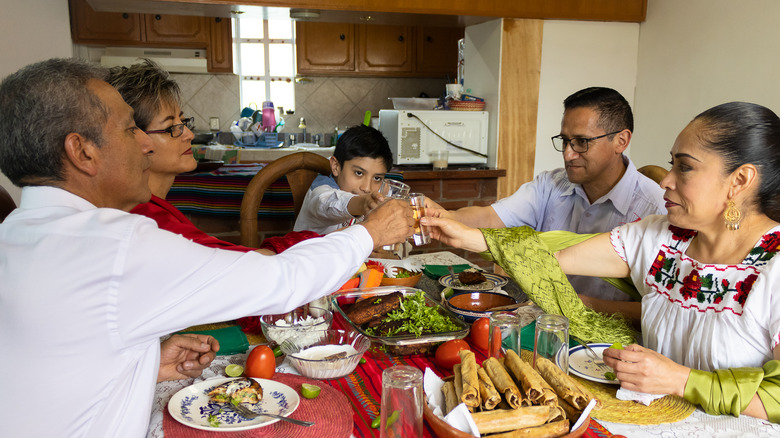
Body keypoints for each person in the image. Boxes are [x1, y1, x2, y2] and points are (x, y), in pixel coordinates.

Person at [0, 58, 413, 437]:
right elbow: (280, 281)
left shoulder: (16, 232)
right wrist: (371, 232)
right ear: (83, 151)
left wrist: (144, 361)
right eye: (130, 130)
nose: (144, 144)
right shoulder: (114, 244)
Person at [422, 101, 780, 422]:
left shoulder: (774, 267)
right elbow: (554, 256)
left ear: (741, 180)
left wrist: (681, 380)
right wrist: (469, 237)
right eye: (671, 164)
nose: (667, 181)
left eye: (684, 168)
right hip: (646, 417)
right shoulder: (662, 236)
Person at [429, 87, 666, 310]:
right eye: (565, 141)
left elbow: (659, 309)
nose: (568, 154)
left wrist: (579, 307)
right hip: (544, 319)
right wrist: (445, 217)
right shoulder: (551, 184)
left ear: (621, 141)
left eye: (582, 142)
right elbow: (491, 217)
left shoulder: (655, 211)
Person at [106, 60, 317, 256]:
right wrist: (318, 241)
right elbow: (231, 266)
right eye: (171, 128)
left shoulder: (149, 208)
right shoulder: (148, 221)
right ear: (133, 138)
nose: (188, 134)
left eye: (184, 122)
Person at [294, 124, 393, 234]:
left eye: (377, 178)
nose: (367, 188)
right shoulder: (320, 193)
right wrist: (364, 203)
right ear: (336, 166)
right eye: (359, 173)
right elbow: (331, 203)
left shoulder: (379, 195)